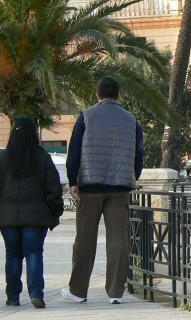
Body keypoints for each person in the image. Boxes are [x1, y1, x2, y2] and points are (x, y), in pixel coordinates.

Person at [62, 76, 144, 305]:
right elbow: (139, 156)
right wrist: (131, 178)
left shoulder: (86, 116)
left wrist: (73, 180)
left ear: (97, 94)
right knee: (118, 239)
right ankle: (115, 292)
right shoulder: (131, 120)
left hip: (90, 186)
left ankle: (78, 291)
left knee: (84, 239)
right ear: (118, 94)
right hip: (120, 187)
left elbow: (74, 152)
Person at [0, 116, 64, 308]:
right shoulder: (42, 157)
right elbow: (54, 187)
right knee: (34, 253)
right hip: (36, 216)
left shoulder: (0, 158)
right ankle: (36, 293)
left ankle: (13, 296)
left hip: (7, 216)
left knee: (12, 255)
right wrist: (54, 210)